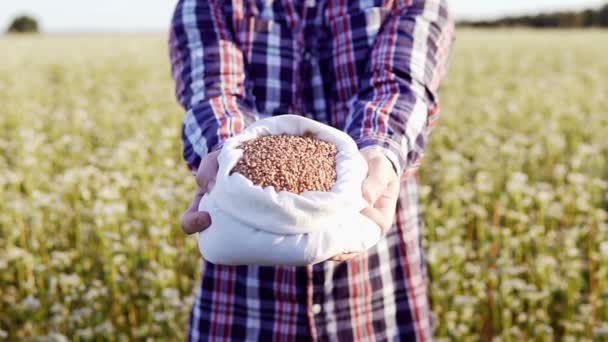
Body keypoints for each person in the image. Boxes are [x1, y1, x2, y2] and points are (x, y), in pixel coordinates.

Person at [169, 0, 454, 340]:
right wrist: (225, 152)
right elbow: (215, 91)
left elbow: (399, 84)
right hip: (243, 294)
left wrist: (378, 151)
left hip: (372, 284)